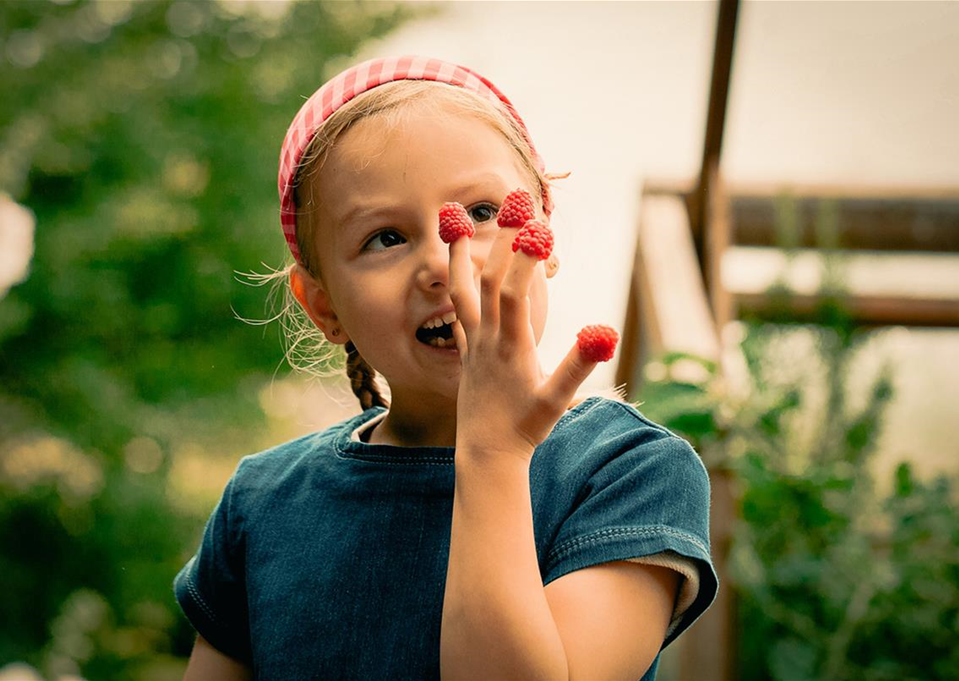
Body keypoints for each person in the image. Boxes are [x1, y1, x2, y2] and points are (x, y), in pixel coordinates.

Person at [173, 55, 717, 680]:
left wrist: (493, 453)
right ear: (325, 307)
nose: (442, 261)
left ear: (543, 237)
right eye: (386, 237)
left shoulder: (628, 472)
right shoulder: (260, 503)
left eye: (482, 214)